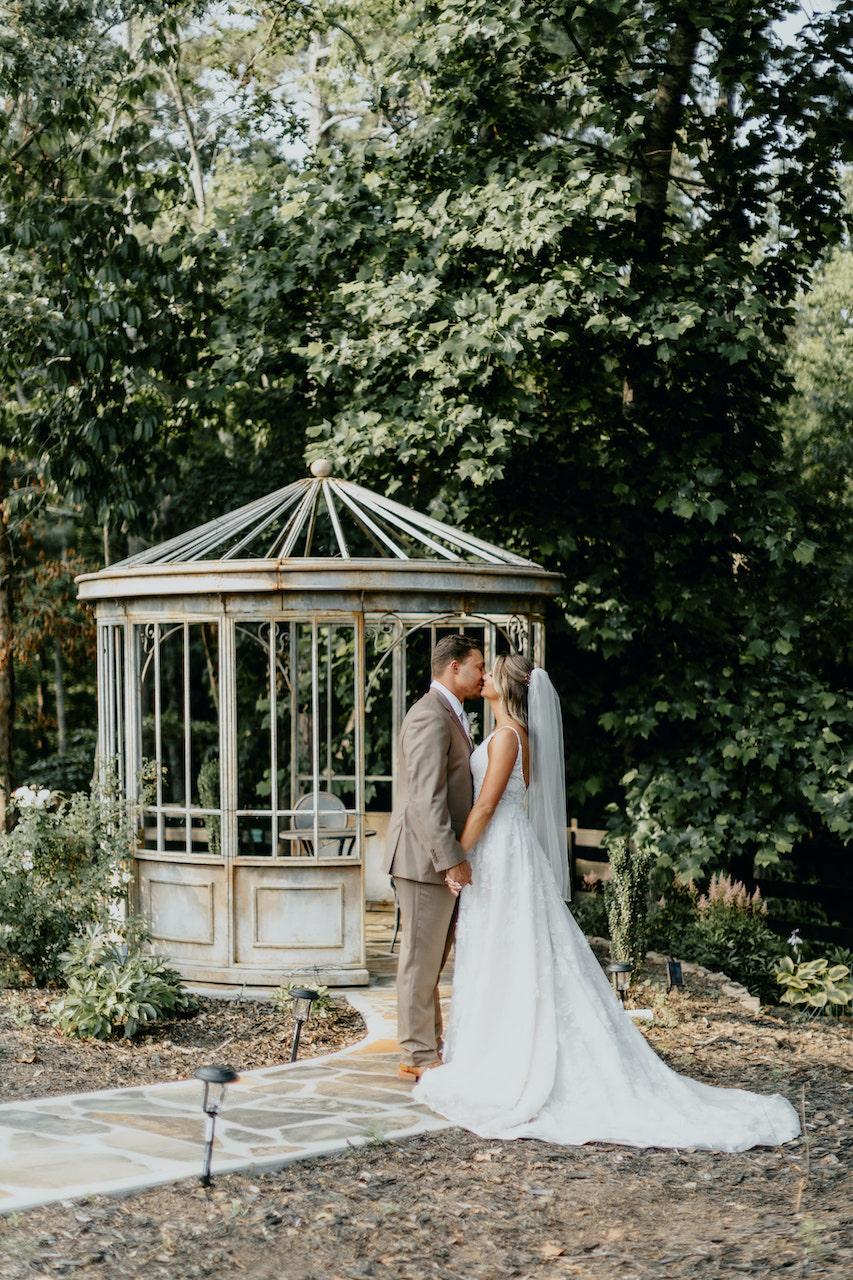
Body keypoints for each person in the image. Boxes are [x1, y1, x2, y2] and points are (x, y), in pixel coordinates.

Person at [415, 654, 801, 1151]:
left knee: (511, 950)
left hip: (502, 851)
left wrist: (457, 857)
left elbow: (488, 805)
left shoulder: (510, 737)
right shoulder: (500, 734)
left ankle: (510, 1063)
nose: (482, 674)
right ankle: (490, 1050)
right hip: (497, 852)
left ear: (507, 688)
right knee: (497, 950)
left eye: (491, 671)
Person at [383, 635, 485, 1082]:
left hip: (434, 858)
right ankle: (417, 1055)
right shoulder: (429, 715)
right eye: (478, 666)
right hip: (424, 861)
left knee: (431, 960)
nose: (483, 675)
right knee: (419, 961)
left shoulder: (451, 713)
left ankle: (429, 1047)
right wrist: (449, 860)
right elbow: (426, 799)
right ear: (454, 667)